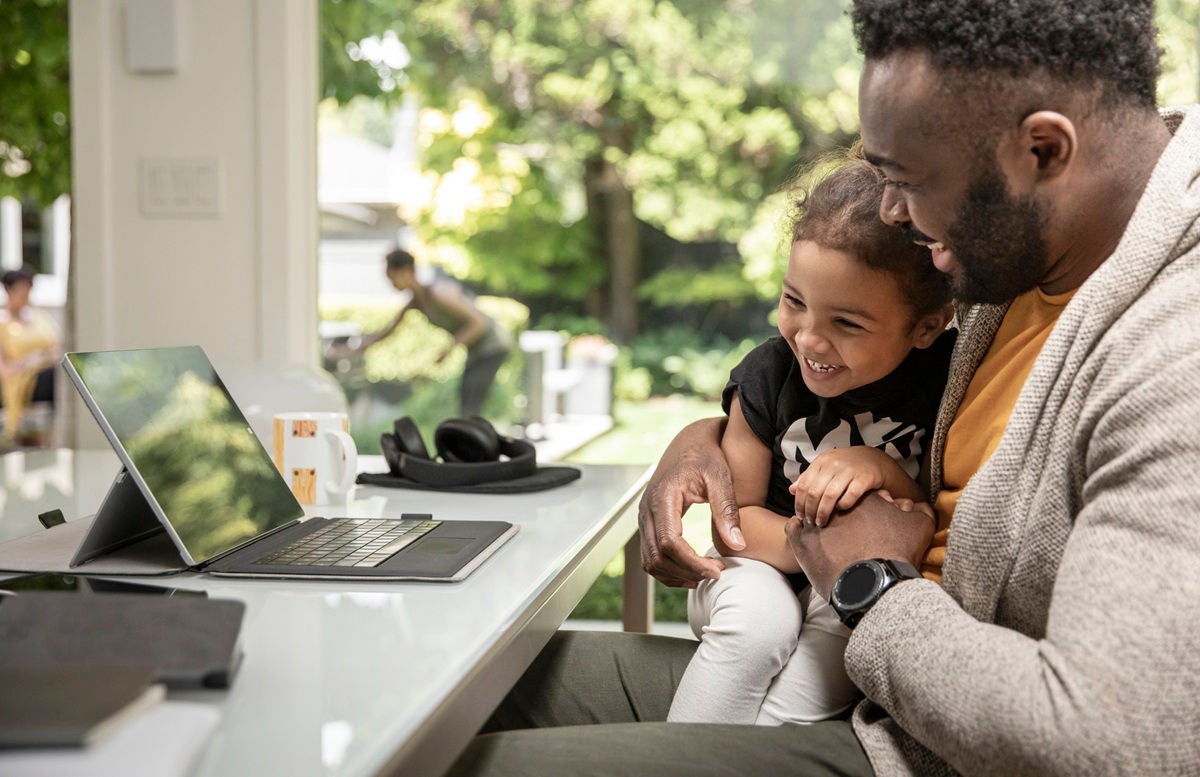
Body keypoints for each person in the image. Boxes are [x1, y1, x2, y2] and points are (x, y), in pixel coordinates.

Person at [447, 2, 1200, 775]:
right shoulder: (1024, 247)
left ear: (1042, 149)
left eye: (907, 181)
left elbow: (1112, 745)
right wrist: (705, 439)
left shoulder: (1175, 359)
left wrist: (869, 586)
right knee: (455, 688)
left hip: (922, 747)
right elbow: (818, 384)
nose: (891, 214)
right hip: (878, 690)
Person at [668, 153, 954, 727]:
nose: (810, 340)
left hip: (854, 586)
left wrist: (878, 466)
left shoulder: (945, 384)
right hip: (755, 573)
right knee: (758, 622)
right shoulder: (766, 378)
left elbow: (924, 510)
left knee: (843, 634)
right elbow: (736, 524)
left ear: (926, 326)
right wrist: (820, 545)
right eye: (794, 301)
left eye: (846, 324)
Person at [360, 247, 512, 417]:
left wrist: (449, 349)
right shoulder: (416, 303)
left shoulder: (439, 292)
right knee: (466, 402)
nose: (391, 283)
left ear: (406, 271)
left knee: (471, 403)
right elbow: (388, 332)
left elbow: (479, 323)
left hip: (493, 345)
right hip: (477, 351)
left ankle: (475, 442)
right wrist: (352, 348)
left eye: (392, 277)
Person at [0, 267, 61, 446]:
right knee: (58, 379)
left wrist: (42, 358)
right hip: (21, 382)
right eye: (21, 290)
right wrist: (28, 362)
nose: (26, 295)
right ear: (8, 290)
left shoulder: (40, 318)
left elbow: (58, 350)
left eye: (29, 289)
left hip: (48, 373)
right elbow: (4, 372)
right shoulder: (3, 324)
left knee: (63, 375)